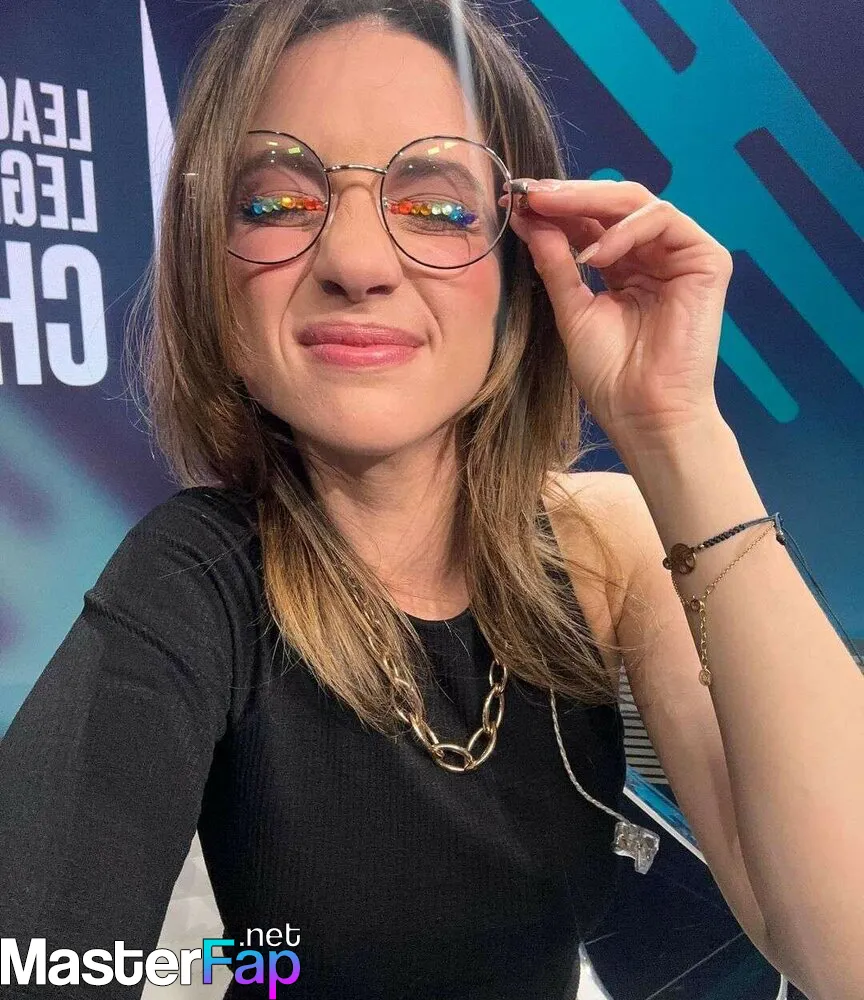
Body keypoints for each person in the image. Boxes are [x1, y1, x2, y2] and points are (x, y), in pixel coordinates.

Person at [2, 1, 863, 999]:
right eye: (275, 203)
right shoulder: (198, 578)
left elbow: (845, 949)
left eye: (439, 210)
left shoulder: (602, 546)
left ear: (520, 268)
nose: (356, 264)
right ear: (212, 271)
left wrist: (677, 432)